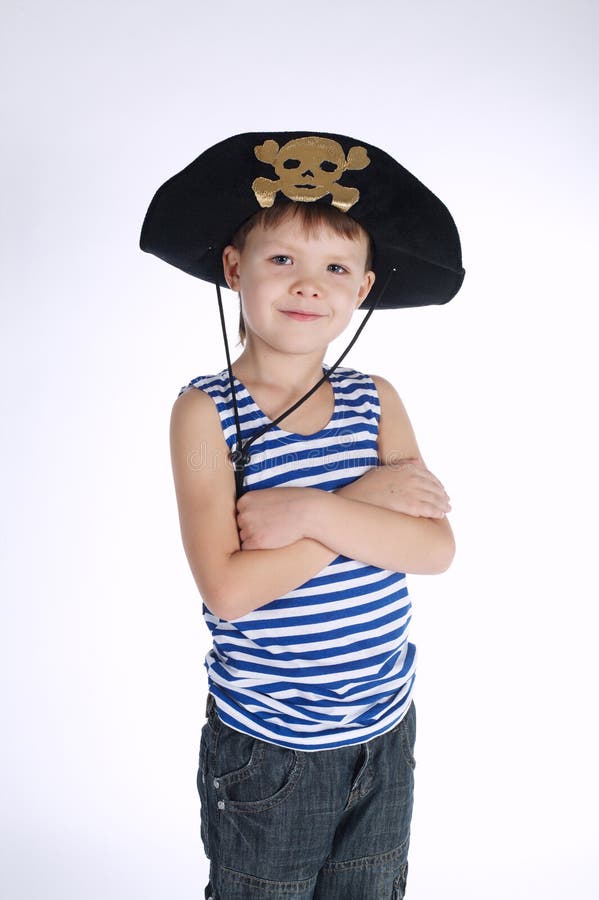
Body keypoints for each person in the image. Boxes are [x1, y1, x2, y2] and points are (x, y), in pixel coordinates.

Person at [140, 131, 464, 899]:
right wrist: (360, 504)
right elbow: (228, 590)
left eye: (335, 268)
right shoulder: (204, 413)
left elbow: (434, 549)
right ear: (234, 269)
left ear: (363, 289)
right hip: (270, 748)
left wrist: (310, 511)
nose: (307, 285)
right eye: (281, 259)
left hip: (384, 731)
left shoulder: (374, 398)